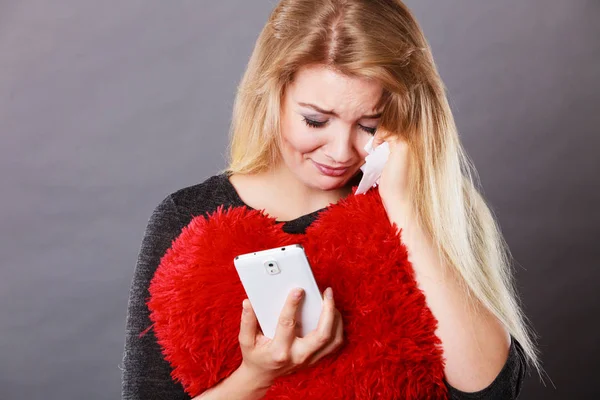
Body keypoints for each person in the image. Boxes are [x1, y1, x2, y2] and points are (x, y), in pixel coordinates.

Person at [121, 0, 541, 399]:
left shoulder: (431, 202)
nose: (341, 151)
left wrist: (405, 210)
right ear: (273, 95)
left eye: (369, 124)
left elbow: (492, 391)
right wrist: (258, 375)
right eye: (315, 120)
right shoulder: (186, 217)